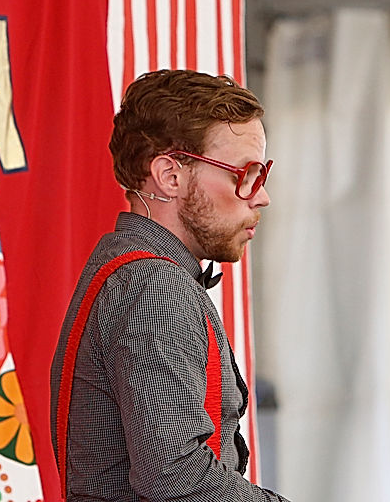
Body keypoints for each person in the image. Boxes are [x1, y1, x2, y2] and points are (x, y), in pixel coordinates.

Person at [50, 69, 290, 501]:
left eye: (263, 173)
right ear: (170, 175)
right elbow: (176, 479)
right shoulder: (155, 286)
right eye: (246, 173)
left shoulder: (130, 268)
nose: (261, 196)